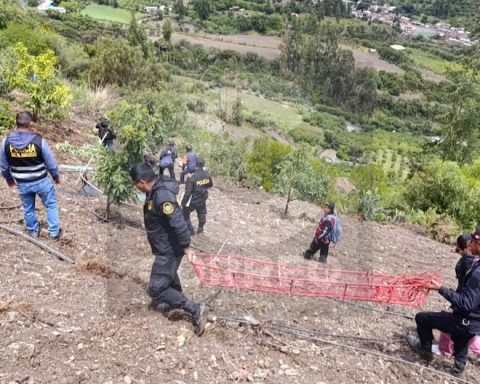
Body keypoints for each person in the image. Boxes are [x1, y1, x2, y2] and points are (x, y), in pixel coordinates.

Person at [130, 162, 207, 336]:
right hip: (165, 245)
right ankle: (173, 300)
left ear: (142, 182)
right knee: (169, 276)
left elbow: (178, 222)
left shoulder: (162, 196)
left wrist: (187, 248)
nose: (136, 188)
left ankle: (195, 309)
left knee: (156, 289)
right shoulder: (155, 191)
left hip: (169, 249)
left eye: (135, 185)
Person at [407, 228, 480, 376]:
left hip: (465, 320)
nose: (469, 244)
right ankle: (459, 367)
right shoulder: (475, 263)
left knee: (422, 318)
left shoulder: (478, 273)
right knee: (461, 338)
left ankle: (425, 350)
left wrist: (440, 288)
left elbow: (466, 303)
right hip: (474, 323)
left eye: (472, 241)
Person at [0, 111, 63, 240]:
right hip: (41, 181)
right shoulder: (39, 141)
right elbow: (51, 163)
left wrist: (9, 179)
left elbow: (3, 165)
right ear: (31, 124)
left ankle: (33, 232)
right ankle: (54, 233)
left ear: (15, 123)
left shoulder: (5, 142)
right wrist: (55, 177)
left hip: (22, 183)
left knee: (28, 208)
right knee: (50, 205)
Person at [437, 233, 480, 359]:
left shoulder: (472, 262)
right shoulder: (473, 259)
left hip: (468, 304)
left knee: (468, 334)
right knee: (468, 334)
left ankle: (445, 351)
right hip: (467, 301)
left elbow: (462, 276)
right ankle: (448, 351)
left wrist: (466, 257)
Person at [181, 158, 213, 236]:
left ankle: (190, 230)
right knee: (202, 213)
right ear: (203, 165)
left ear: (196, 165)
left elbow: (188, 192)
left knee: (184, 213)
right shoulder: (207, 175)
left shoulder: (192, 177)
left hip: (193, 200)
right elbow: (210, 185)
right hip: (202, 198)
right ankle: (200, 229)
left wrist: (183, 202)